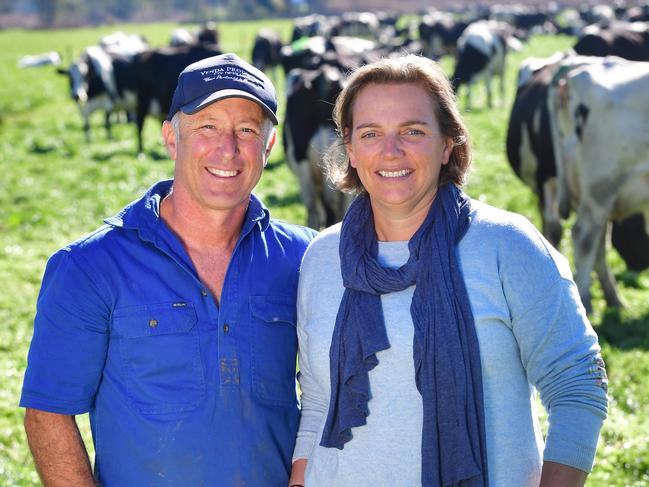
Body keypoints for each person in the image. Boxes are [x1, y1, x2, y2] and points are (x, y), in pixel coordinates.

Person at [288, 55, 608, 487]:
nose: (390, 151)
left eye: (413, 131)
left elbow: (577, 385)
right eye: (370, 134)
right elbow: (318, 406)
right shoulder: (323, 257)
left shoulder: (506, 244)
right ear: (350, 148)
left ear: (447, 144)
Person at [20, 53, 316, 486]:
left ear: (269, 147)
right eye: (207, 127)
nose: (227, 148)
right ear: (171, 138)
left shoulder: (306, 258)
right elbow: (48, 414)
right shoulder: (88, 267)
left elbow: (331, 397)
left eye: (247, 130)